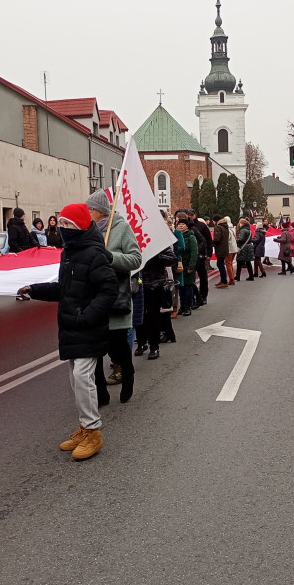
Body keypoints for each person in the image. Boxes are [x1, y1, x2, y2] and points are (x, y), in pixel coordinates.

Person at [20, 203, 117, 461]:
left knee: (84, 378)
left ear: (79, 227)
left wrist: (87, 316)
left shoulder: (95, 254)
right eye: (60, 224)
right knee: (76, 380)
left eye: (67, 225)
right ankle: (84, 428)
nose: (61, 229)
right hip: (71, 327)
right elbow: (64, 289)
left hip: (87, 326)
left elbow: (109, 290)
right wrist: (35, 290)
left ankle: (93, 432)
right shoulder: (69, 253)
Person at [87, 189, 141, 406]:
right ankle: (101, 392)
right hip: (93, 300)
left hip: (116, 298)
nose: (87, 212)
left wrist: (110, 257)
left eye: (90, 209)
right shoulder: (87, 231)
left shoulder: (121, 228)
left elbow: (135, 259)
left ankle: (128, 376)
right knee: (96, 351)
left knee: (118, 349)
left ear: (99, 211)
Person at [134, 243, 176, 360]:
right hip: (136, 284)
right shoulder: (133, 239)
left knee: (153, 316)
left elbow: (172, 259)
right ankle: (142, 342)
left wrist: (157, 255)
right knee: (138, 315)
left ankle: (154, 346)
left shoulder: (157, 241)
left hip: (154, 284)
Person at [175, 216, 199, 314]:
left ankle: (188, 307)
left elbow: (194, 252)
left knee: (188, 287)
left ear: (187, 226)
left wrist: (191, 266)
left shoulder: (191, 237)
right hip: (179, 265)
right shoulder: (175, 236)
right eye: (179, 224)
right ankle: (182, 306)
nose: (181, 226)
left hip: (188, 264)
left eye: (183, 224)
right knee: (181, 287)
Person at [213, 214, 231, 288]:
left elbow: (217, 239)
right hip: (224, 248)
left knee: (220, 265)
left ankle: (224, 281)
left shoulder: (218, 227)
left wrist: (211, 242)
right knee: (221, 264)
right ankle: (223, 280)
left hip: (220, 248)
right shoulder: (225, 227)